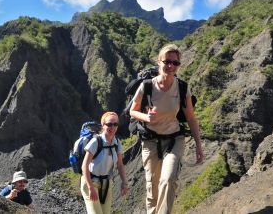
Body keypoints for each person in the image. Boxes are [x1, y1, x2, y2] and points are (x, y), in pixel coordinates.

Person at [130, 44, 204, 214]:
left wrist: (199, 146)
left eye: (175, 63)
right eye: (167, 61)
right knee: (152, 187)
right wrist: (146, 117)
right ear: (159, 62)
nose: (171, 66)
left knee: (169, 180)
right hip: (150, 140)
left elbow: (191, 118)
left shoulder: (182, 87)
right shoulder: (147, 86)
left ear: (179, 65)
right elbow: (133, 111)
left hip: (174, 139)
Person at [81, 112, 129, 214]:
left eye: (115, 124)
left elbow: (120, 165)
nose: (113, 127)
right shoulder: (96, 141)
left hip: (106, 184)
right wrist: (90, 188)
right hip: (91, 183)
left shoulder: (117, 142)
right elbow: (84, 166)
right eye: (109, 124)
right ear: (103, 125)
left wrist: (124, 182)